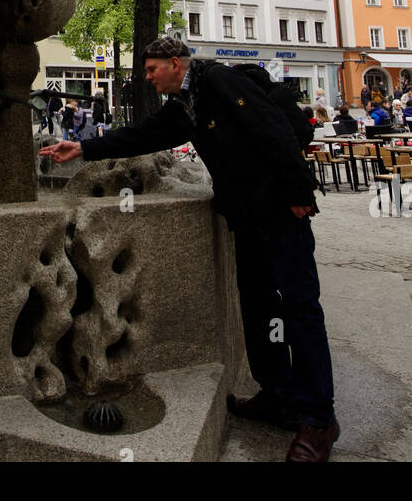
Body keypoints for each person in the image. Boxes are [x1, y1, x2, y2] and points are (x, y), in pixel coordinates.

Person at [40, 37, 337, 461]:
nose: (148, 77)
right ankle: (278, 394)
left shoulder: (218, 81)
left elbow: (270, 127)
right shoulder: (187, 106)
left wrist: (298, 190)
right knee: (258, 304)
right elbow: (144, 135)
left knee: (301, 309)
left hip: (280, 212)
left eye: (152, 69)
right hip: (248, 219)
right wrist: (85, 149)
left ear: (175, 64)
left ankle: (319, 419)